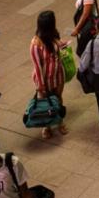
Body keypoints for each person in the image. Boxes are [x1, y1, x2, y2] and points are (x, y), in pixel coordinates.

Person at [29, 11, 67, 140]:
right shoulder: (36, 43)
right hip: (44, 79)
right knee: (46, 103)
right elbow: (38, 67)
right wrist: (41, 85)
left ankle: (59, 122)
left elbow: (58, 46)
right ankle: (47, 126)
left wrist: (63, 44)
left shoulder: (53, 35)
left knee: (58, 99)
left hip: (58, 75)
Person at [68, 0, 99, 64]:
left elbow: (85, 14)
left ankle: (88, 66)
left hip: (87, 26)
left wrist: (77, 29)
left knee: (82, 50)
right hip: (91, 23)